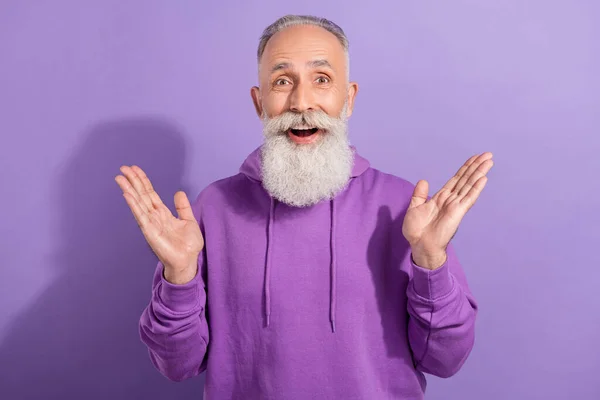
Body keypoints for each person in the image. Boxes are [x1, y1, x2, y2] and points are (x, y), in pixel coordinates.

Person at [115, 14, 493, 400]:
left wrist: (430, 259)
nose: (301, 101)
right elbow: (177, 365)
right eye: (282, 82)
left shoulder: (404, 207)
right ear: (259, 102)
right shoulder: (213, 208)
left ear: (349, 98)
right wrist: (179, 275)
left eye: (322, 79)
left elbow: (446, 359)